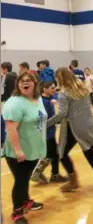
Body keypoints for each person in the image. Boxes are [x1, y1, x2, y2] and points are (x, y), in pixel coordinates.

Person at [47, 68, 93, 192]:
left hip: (73, 127)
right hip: (87, 125)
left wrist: (46, 124)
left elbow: (62, 114)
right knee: (89, 152)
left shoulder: (64, 93)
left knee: (61, 153)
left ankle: (73, 181)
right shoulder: (82, 89)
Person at [2, 72, 46, 224]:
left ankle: (26, 201)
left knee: (26, 177)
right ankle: (17, 212)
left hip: (33, 148)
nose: (25, 83)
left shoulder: (37, 99)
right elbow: (11, 129)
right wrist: (18, 150)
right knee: (20, 181)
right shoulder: (14, 103)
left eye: (29, 81)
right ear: (17, 84)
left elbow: (40, 118)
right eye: (22, 81)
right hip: (18, 151)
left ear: (35, 83)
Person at [30, 82, 68, 185]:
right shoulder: (43, 102)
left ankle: (55, 175)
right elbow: (40, 119)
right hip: (46, 133)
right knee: (51, 154)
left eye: (54, 88)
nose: (54, 90)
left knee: (55, 154)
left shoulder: (48, 100)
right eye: (52, 88)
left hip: (50, 132)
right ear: (44, 89)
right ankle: (37, 172)